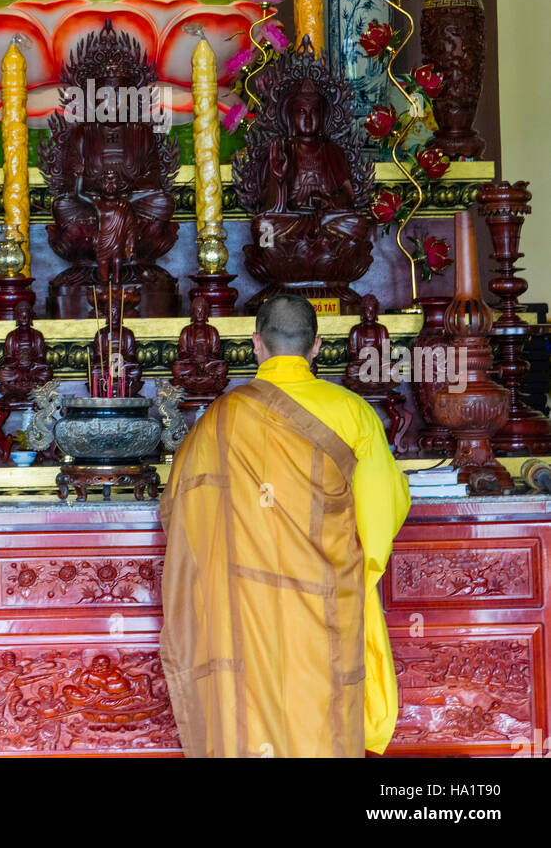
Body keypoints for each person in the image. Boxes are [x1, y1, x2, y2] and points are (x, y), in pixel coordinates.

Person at [159, 293, 410, 758]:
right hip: (327, 597)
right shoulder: (352, 411)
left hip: (240, 604)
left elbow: (180, 510)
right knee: (322, 711)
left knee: (249, 712)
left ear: (256, 344)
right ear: (316, 347)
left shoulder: (218, 419)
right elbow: (383, 513)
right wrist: (356, 577)